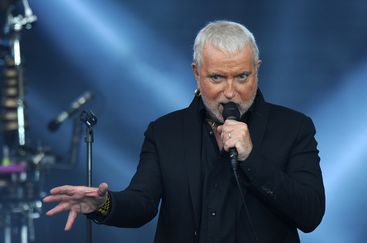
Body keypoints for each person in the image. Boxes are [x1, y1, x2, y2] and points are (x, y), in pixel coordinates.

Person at [43, 20, 325, 243]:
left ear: (257, 70)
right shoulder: (166, 132)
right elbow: (142, 203)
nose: (230, 91)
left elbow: (310, 214)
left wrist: (251, 158)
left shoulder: (293, 128)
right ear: (196, 73)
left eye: (242, 76)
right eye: (217, 77)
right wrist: (104, 204)